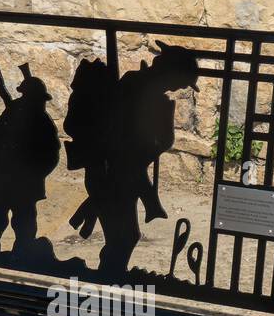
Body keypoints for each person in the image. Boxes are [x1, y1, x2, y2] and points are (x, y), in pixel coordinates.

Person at [64, 42, 199, 275]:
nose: (180, 88)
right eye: (182, 82)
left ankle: (108, 278)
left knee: (123, 236)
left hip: (117, 173)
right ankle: (107, 282)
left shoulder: (141, 87)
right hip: (112, 172)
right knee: (123, 237)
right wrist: (163, 120)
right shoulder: (141, 90)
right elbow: (136, 140)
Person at [0, 64, 60, 256]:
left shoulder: (42, 123)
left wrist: (34, 174)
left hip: (24, 181)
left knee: (23, 218)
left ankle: (22, 250)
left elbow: (52, 154)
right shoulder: (13, 112)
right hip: (5, 175)